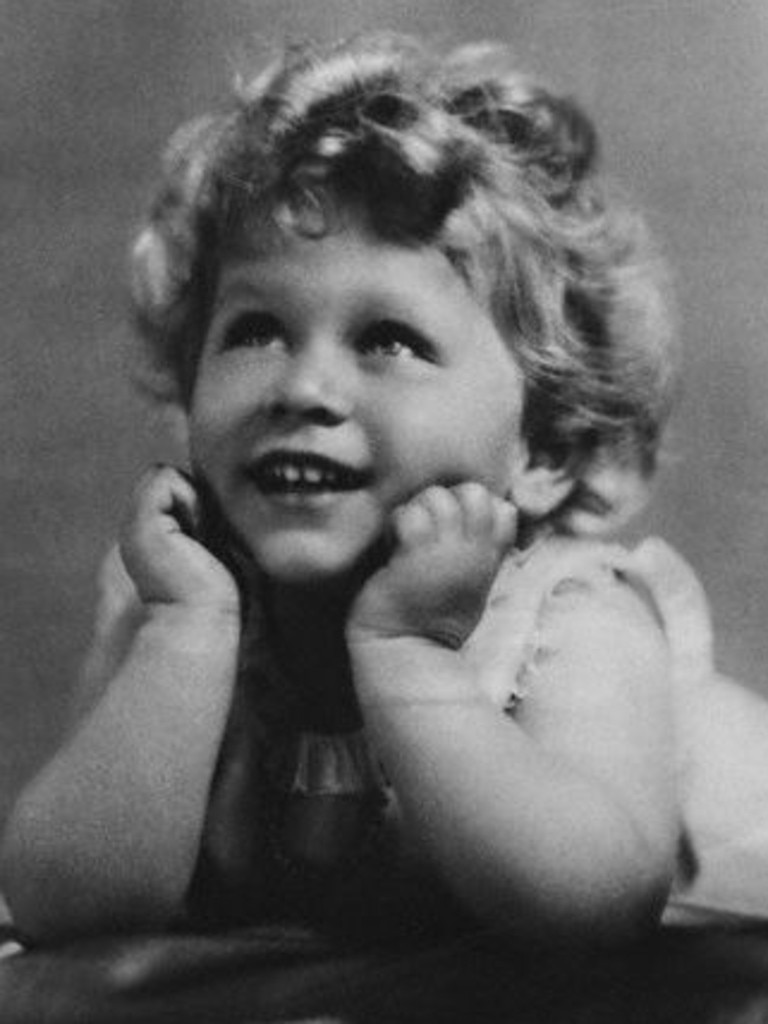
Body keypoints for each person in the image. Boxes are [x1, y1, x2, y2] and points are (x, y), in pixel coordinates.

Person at [0, 32, 754, 951]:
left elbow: (592, 906)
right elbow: (61, 907)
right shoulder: (181, 597)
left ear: (544, 446)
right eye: (256, 330)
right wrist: (184, 636)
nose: (303, 388)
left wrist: (412, 658)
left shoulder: (568, 615)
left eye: (388, 340)